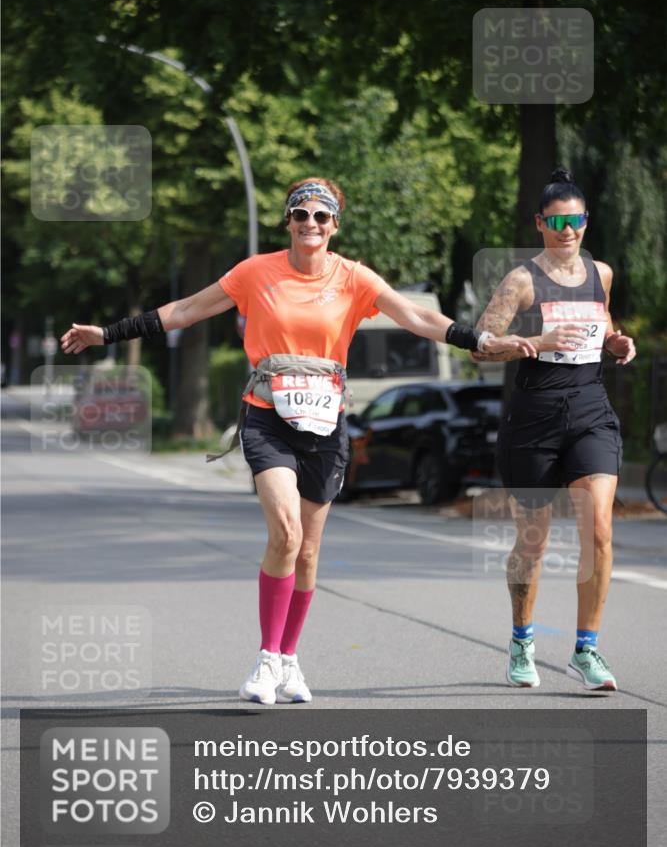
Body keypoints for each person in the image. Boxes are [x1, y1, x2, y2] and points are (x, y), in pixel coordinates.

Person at [61, 176, 536, 705]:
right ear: (288, 221)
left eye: (322, 216)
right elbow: (186, 310)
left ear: (335, 225)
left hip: (327, 424)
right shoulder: (255, 272)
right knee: (285, 532)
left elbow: (419, 317)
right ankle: (266, 660)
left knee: (308, 551)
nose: (311, 223)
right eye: (301, 214)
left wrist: (481, 338)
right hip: (267, 417)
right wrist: (108, 333)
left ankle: (289, 658)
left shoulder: (354, 278)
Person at [472, 168, 636, 693]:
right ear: (541, 223)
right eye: (558, 220)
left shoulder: (601, 273)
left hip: (590, 410)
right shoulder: (522, 281)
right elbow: (479, 342)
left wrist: (616, 344)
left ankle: (587, 650)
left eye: (578, 220)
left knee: (600, 530)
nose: (569, 230)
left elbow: (602, 323)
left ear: (587, 222)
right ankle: (522, 641)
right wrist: (537, 342)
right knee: (534, 541)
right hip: (535, 418)